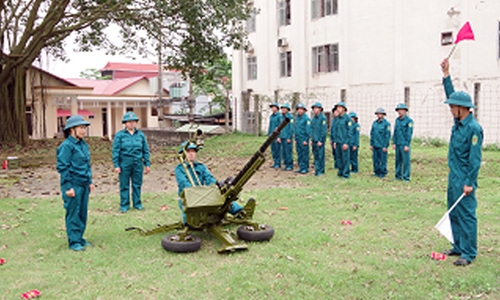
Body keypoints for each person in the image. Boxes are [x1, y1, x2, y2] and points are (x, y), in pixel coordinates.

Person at [440, 58, 483, 266]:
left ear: (462, 108)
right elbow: (451, 95)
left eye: (453, 107)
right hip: (453, 175)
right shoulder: (459, 123)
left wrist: (469, 182)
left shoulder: (473, 129)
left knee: (466, 215)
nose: (450, 110)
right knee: (453, 211)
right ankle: (457, 246)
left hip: (465, 178)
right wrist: (446, 75)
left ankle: (468, 253)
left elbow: (475, 160)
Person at [175, 142, 244, 224]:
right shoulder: (179, 169)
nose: (191, 154)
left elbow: (209, 179)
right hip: (188, 199)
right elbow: (184, 184)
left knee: (225, 201)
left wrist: (216, 185)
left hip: (203, 194)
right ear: (183, 153)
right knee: (191, 223)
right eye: (188, 151)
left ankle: (241, 213)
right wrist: (197, 193)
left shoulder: (201, 167)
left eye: (193, 151)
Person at [56, 115, 94, 251]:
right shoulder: (66, 146)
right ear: (72, 129)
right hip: (73, 184)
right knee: (73, 212)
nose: (84, 130)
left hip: (84, 184)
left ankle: (80, 237)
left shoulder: (83, 144)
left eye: (84, 128)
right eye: (81, 128)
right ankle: (74, 241)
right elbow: (63, 167)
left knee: (82, 212)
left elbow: (86, 164)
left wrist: (90, 181)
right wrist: (68, 187)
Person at [112, 112, 151, 213]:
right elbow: (116, 151)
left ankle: (137, 203)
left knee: (137, 184)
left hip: (138, 163)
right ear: (125, 123)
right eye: (129, 122)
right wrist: (116, 165)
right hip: (124, 162)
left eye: (133, 121)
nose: (131, 124)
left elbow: (145, 150)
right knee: (124, 185)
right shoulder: (120, 135)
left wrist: (147, 164)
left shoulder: (141, 135)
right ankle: (124, 205)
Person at [392, 103, 414, 181]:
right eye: (398, 110)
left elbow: (409, 133)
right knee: (398, 160)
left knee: (406, 161)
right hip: (398, 143)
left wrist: (407, 144)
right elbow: (395, 132)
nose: (399, 112)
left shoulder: (409, 121)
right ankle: (398, 176)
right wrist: (394, 142)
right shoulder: (397, 120)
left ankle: (406, 177)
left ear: (405, 111)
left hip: (404, 144)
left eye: (401, 110)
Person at [332, 102, 352, 178]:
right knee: (339, 158)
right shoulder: (337, 119)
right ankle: (340, 172)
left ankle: (346, 173)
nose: (338, 109)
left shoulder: (347, 119)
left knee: (345, 159)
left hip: (344, 142)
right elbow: (335, 131)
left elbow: (349, 132)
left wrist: (346, 143)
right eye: (337, 107)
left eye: (340, 107)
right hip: (338, 142)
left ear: (344, 109)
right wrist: (334, 141)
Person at [370, 108, 391, 178]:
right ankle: (376, 172)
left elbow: (387, 135)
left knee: (382, 160)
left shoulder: (386, 124)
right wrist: (371, 144)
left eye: (380, 114)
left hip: (382, 145)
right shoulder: (374, 123)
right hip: (375, 144)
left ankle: (382, 172)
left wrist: (385, 146)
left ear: (383, 115)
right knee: (375, 159)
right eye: (378, 114)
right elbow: (372, 134)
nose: (379, 115)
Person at [310, 102, 327, 176]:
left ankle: (321, 170)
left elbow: (323, 130)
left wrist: (321, 140)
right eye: (314, 108)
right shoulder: (313, 119)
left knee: (320, 156)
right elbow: (312, 129)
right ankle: (317, 170)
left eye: (316, 108)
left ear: (320, 109)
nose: (315, 110)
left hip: (319, 141)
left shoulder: (323, 118)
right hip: (314, 140)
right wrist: (311, 139)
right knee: (316, 156)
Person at [294, 103, 311, 174]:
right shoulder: (297, 118)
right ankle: (301, 167)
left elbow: (308, 130)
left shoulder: (306, 118)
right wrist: (295, 138)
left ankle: (305, 168)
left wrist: (306, 139)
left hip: (303, 139)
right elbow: (296, 128)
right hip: (298, 138)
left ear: (304, 110)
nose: (299, 111)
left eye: (301, 109)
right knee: (299, 153)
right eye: (298, 109)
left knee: (304, 153)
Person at [279, 103, 294, 171]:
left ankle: (290, 165)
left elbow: (291, 128)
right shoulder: (281, 117)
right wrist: (279, 136)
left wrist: (289, 137)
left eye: (284, 109)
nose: (283, 110)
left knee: (288, 151)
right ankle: (285, 164)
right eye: (282, 108)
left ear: (288, 110)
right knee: (283, 152)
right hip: (282, 136)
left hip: (287, 137)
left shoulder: (290, 117)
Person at [268, 102, 283, 168]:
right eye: (272, 107)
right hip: (271, 136)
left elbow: (280, 127)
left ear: (277, 108)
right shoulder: (271, 116)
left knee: (277, 149)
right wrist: (269, 134)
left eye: (274, 107)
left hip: (276, 136)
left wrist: (279, 137)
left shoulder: (279, 116)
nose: (273, 109)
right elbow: (270, 126)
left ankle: (278, 163)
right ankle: (275, 162)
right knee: (273, 149)